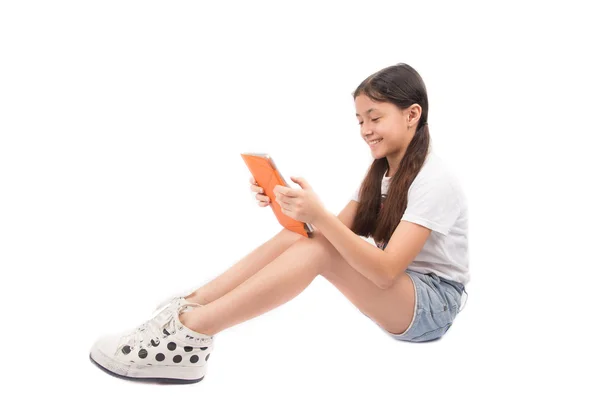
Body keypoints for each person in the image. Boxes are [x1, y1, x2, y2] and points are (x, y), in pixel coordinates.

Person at [89, 62, 469, 384]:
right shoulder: (382, 172)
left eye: (375, 117)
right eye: (359, 120)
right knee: (300, 238)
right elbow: (326, 236)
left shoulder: (434, 180)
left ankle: (191, 331)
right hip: (402, 295)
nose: (365, 130)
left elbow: (384, 272)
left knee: (317, 248)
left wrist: (318, 216)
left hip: (432, 306)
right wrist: (290, 207)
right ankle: (186, 308)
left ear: (412, 114)